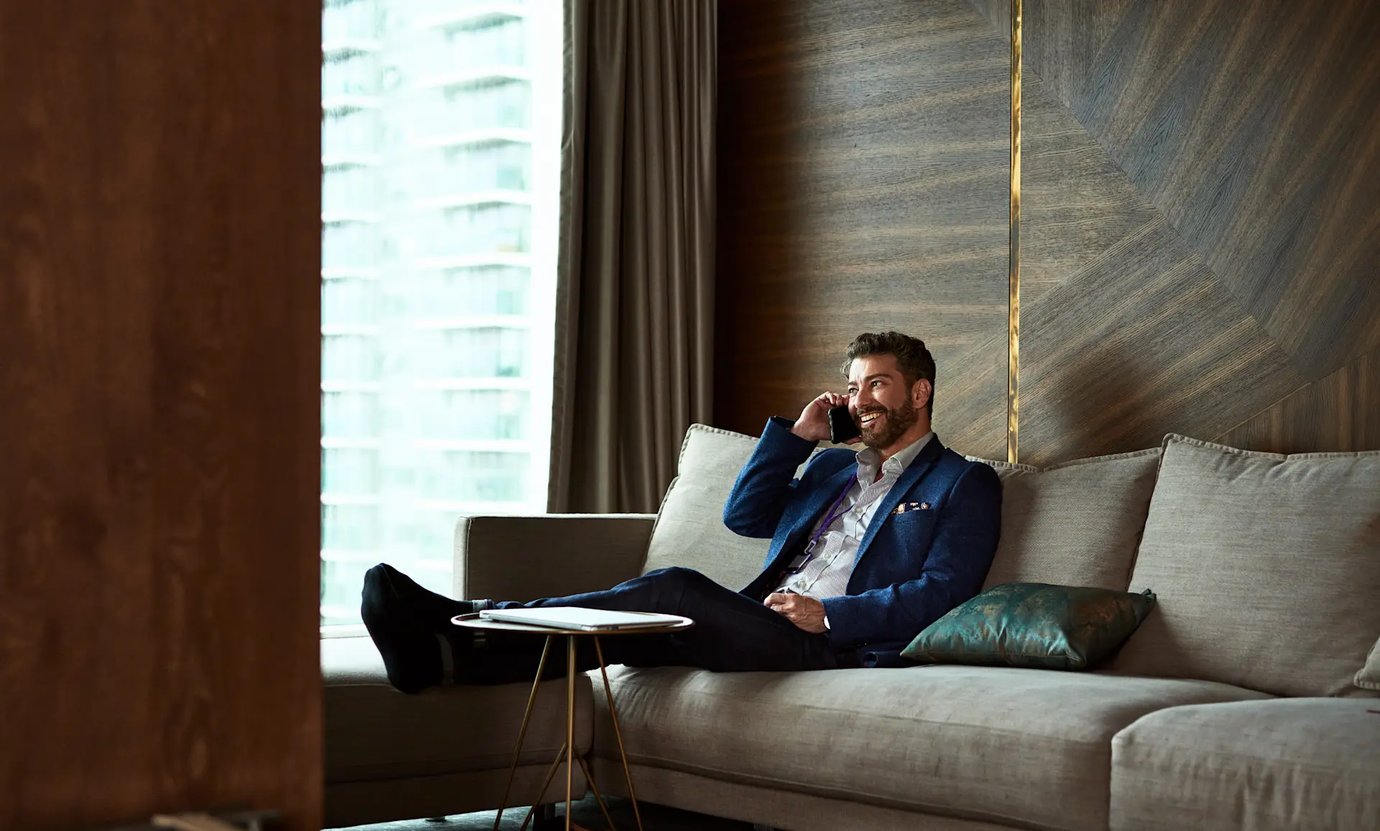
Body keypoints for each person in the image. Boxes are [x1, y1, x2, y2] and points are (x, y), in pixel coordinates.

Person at [363, 331, 1002, 692]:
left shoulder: (961, 482)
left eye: (878, 385)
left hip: (832, 646)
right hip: (763, 619)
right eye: (855, 385)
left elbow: (942, 592)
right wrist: (797, 438)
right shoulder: (835, 466)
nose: (861, 400)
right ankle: (451, 656)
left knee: (674, 590)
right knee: (640, 630)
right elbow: (746, 516)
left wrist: (828, 614)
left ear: (919, 393)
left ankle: (471, 616)